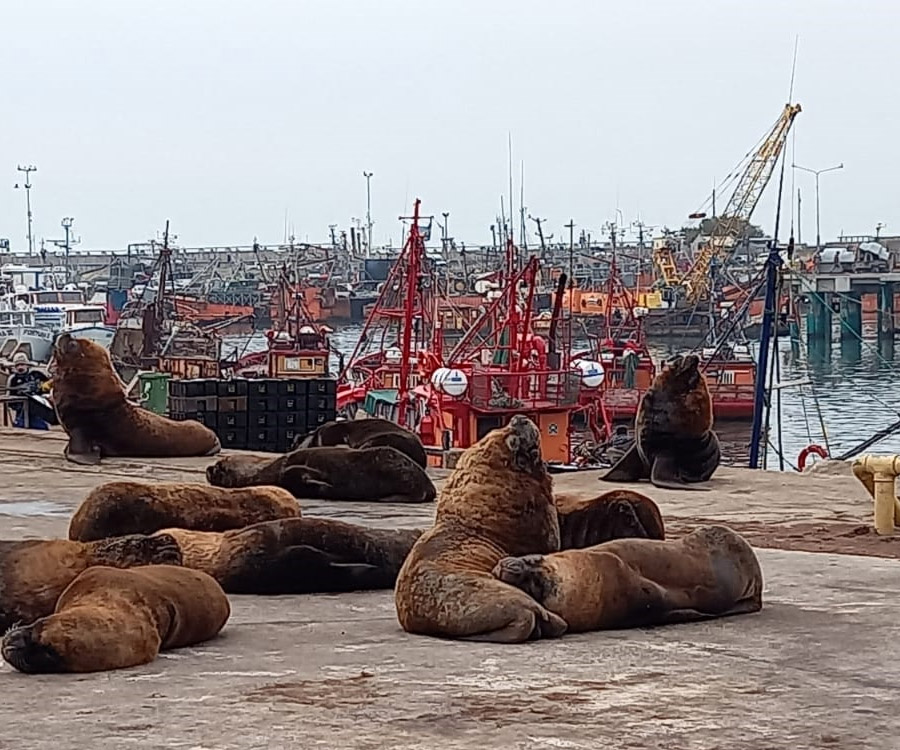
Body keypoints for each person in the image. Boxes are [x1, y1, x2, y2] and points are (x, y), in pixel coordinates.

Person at [7, 352, 50, 430]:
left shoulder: (37, 374)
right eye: (18, 365)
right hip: (21, 412)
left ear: (27, 365)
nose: (20, 367)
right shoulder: (13, 379)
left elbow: (49, 386)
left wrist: (40, 390)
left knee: (41, 430)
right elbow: (9, 401)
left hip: (38, 411)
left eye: (22, 364)